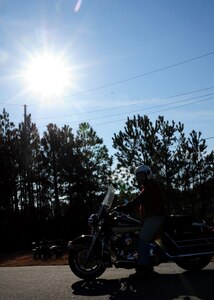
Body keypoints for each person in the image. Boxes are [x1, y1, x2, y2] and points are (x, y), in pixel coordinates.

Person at [120, 165, 166, 278]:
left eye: (141, 175)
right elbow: (141, 198)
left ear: (147, 174)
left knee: (143, 238)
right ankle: (143, 261)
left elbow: (141, 198)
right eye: (138, 176)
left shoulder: (151, 186)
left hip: (156, 217)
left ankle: (144, 267)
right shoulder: (146, 186)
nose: (139, 178)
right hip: (152, 217)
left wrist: (127, 206)